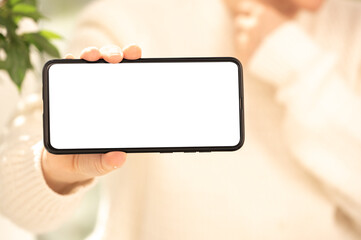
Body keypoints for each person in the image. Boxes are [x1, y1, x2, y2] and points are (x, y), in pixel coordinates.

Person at [1, 0, 361, 239]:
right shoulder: (134, 13)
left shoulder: (351, 22)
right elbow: (15, 200)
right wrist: (55, 169)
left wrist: (300, 69)